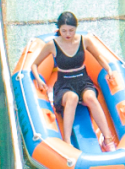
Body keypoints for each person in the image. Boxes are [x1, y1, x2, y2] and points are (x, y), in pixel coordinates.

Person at [30, 11, 118, 153]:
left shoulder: (84, 40)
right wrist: (39, 79)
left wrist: (109, 69)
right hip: (64, 83)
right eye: (64, 31)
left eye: (71, 30)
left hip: (82, 80)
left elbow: (98, 56)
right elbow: (34, 64)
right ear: (59, 29)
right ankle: (67, 142)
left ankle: (108, 139)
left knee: (90, 97)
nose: (68, 34)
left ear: (76, 28)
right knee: (72, 98)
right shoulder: (52, 44)